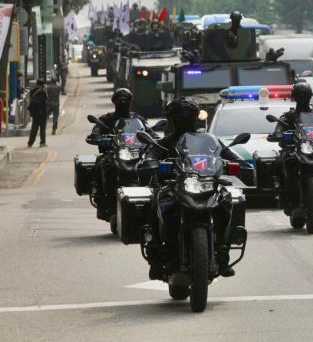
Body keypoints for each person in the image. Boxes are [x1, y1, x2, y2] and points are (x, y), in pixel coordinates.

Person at [142, 97, 237, 279]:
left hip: (207, 185)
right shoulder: (166, 142)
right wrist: (150, 163)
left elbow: (227, 154)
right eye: (180, 115)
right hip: (175, 187)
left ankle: (223, 254)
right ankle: (155, 255)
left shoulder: (209, 140)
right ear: (172, 118)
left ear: (196, 117)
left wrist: (239, 164)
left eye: (188, 115)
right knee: (155, 202)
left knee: (227, 201)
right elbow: (151, 154)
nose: (184, 118)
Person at [86, 88, 152, 221]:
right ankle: (98, 191)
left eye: (125, 102)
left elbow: (149, 131)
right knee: (102, 163)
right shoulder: (106, 119)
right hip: (113, 153)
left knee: (150, 166)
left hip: (135, 153)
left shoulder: (137, 118)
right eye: (120, 102)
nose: (123, 104)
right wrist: (97, 137)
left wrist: (153, 138)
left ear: (130, 102)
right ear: (114, 102)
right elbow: (97, 130)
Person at [268, 82, 313, 205]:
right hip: (294, 149)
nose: (303, 98)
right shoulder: (288, 116)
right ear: (295, 97)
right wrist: (278, 134)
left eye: (306, 95)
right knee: (280, 162)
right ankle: (282, 193)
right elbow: (278, 129)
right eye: (301, 96)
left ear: (310, 96)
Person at [27, 79, 48, 147]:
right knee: (42, 129)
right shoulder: (44, 92)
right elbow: (46, 101)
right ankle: (42, 143)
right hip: (42, 113)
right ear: (43, 85)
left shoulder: (32, 91)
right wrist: (45, 90)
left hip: (35, 113)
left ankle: (30, 143)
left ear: (36, 84)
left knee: (34, 128)